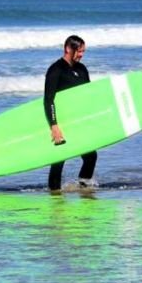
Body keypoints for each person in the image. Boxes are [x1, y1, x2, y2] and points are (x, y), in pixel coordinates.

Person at [44, 35, 97, 192]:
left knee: (90, 156)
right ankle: (54, 193)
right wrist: (54, 125)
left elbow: (88, 95)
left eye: (83, 51)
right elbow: (48, 100)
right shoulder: (56, 70)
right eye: (79, 51)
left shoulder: (82, 69)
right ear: (68, 48)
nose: (81, 54)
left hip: (79, 121)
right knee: (59, 159)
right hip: (62, 122)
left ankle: (84, 188)